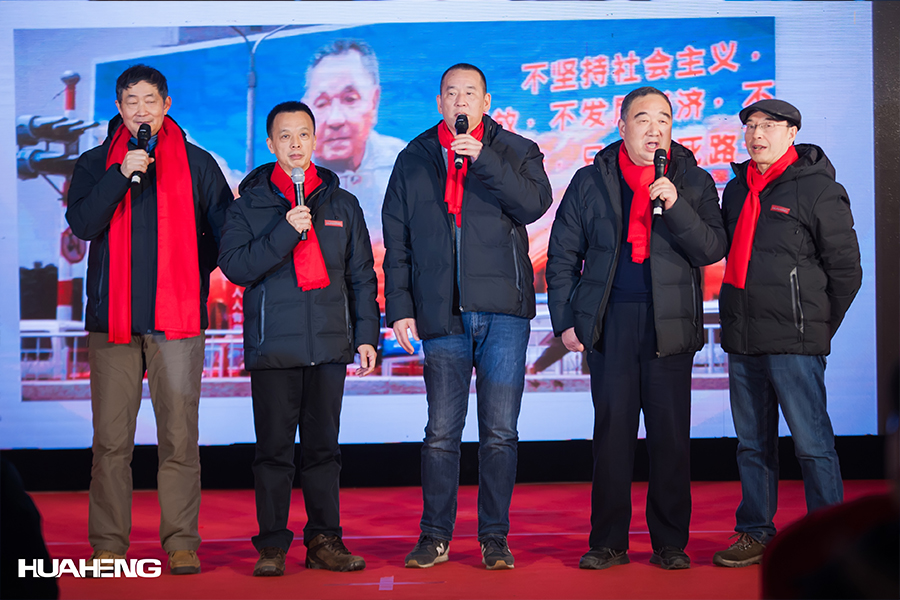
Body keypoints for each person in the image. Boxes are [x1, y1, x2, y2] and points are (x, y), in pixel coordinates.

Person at [546, 86, 727, 570]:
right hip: (611, 323)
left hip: (670, 322)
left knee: (671, 438)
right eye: (643, 119)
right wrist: (566, 320)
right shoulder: (591, 180)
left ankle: (670, 543)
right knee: (612, 436)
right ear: (622, 126)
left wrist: (677, 204)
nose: (654, 129)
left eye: (663, 119)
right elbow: (562, 254)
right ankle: (608, 541)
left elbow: (711, 248)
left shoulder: (693, 180)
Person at [382, 63, 552, 570]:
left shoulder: (516, 150)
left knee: (499, 432)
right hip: (442, 312)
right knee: (441, 432)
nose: (460, 101)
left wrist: (484, 159)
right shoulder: (414, 158)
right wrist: (400, 307)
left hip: (504, 312)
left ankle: (494, 538)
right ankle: (434, 536)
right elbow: (397, 239)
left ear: (486, 102)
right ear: (439, 103)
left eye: (469, 93)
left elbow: (534, 204)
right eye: (451, 93)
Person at [66, 64, 232, 575]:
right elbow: (83, 224)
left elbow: (224, 235)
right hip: (112, 325)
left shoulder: (199, 163)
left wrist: (187, 274)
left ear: (166, 104)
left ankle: (181, 542)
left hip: (176, 324)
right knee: (111, 444)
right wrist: (121, 175)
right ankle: (108, 546)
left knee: (179, 439)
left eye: (150, 100)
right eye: (131, 101)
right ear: (119, 109)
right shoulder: (96, 163)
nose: (141, 110)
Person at [218, 101, 379, 576]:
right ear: (271, 144)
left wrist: (366, 336)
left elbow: (361, 276)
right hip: (274, 348)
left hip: (328, 346)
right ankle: (271, 545)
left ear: (314, 140)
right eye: (285, 136)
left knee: (324, 451)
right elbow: (236, 267)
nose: (295, 144)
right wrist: (285, 232)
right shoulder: (247, 206)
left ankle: (325, 540)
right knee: (273, 453)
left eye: (303, 135)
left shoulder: (342, 204)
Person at [712, 99, 862, 568]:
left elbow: (846, 271)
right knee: (752, 444)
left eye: (769, 126)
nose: (757, 135)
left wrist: (815, 326)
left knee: (812, 445)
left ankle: (831, 537)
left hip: (795, 342)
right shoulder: (737, 190)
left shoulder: (818, 188)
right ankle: (754, 532)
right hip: (744, 338)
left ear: (792, 132)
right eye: (751, 127)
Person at [303, 39, 406, 233]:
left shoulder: (406, 166)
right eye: (322, 103)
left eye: (350, 99)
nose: (335, 119)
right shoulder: (286, 177)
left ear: (374, 102)